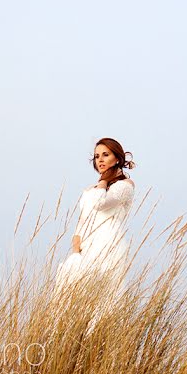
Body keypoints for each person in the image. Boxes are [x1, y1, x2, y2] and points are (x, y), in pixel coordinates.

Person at [52, 137, 136, 321]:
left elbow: (100, 204)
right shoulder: (92, 188)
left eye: (106, 155)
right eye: (97, 156)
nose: (100, 160)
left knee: (106, 303)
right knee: (74, 299)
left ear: (117, 158)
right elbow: (84, 217)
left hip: (109, 247)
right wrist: (76, 244)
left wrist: (104, 182)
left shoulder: (125, 186)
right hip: (86, 249)